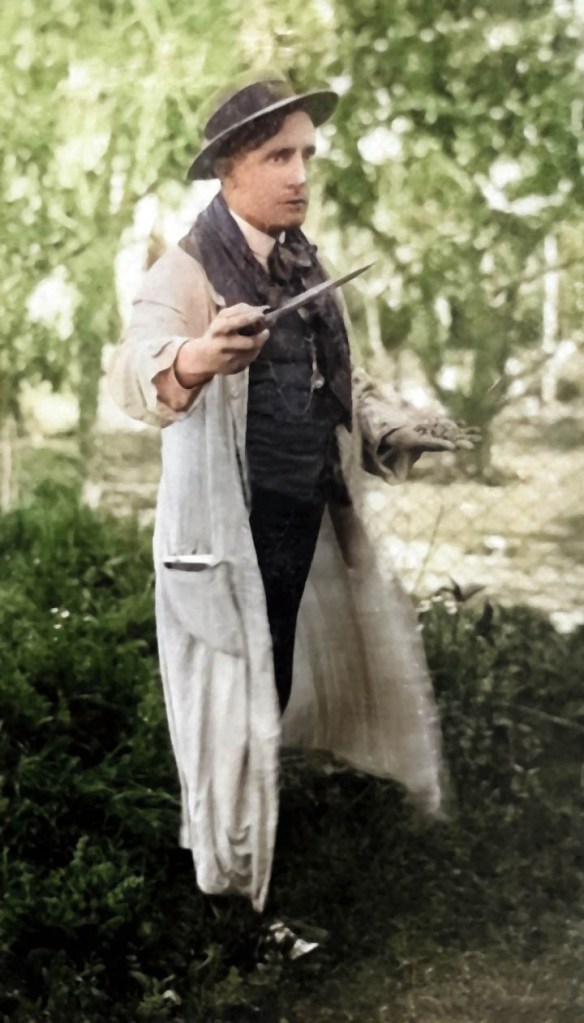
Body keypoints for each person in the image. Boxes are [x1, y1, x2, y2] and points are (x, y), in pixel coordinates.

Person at [109, 75, 473, 912]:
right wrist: (197, 357)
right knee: (226, 707)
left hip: (302, 522)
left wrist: (394, 427)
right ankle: (228, 901)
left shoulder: (304, 262)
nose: (301, 174)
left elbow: (338, 381)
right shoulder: (188, 268)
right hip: (226, 535)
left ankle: (265, 861)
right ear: (230, 168)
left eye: (307, 154)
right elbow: (135, 367)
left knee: (272, 691)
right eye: (280, 156)